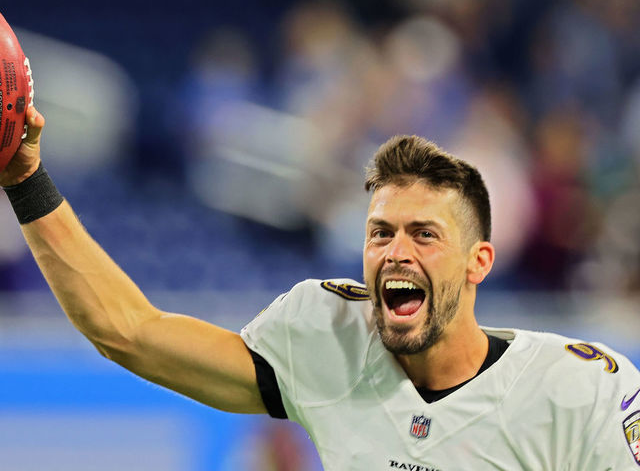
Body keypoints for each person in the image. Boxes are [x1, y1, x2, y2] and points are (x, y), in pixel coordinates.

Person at [2, 107, 640, 470]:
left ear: (479, 262)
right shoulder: (326, 336)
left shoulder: (581, 391)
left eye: (424, 234)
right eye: (380, 232)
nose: (395, 251)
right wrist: (25, 179)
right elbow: (129, 332)